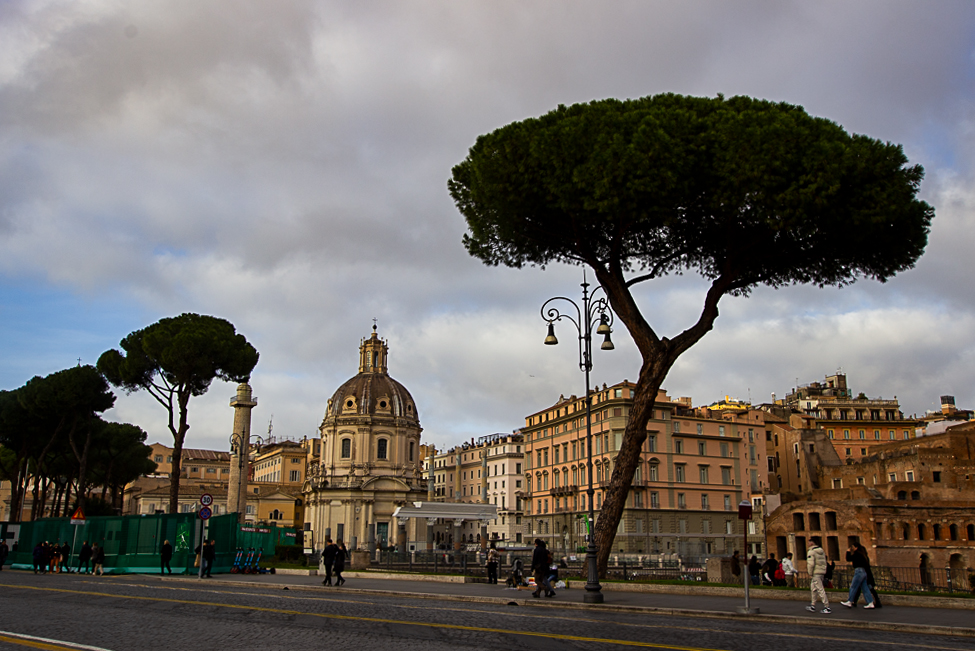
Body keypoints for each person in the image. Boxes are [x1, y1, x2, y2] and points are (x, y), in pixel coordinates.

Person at [841, 543, 875, 609]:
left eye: (853, 547)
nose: (852, 548)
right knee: (865, 588)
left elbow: (849, 559)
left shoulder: (857, 554)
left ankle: (850, 601)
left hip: (859, 571)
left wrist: (848, 552)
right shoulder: (863, 555)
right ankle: (870, 602)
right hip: (863, 572)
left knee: (853, 586)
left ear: (856, 548)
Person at [805, 539, 831, 613]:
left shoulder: (811, 552)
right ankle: (813, 605)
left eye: (809, 542)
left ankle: (827, 607)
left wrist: (810, 573)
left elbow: (811, 564)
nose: (808, 544)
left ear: (812, 543)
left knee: (820, 589)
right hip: (821, 572)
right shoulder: (821, 551)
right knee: (813, 589)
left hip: (816, 573)